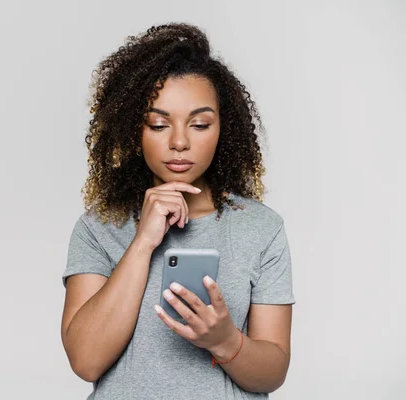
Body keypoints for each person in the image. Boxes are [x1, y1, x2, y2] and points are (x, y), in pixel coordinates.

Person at [60, 22, 295, 400]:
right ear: (133, 130)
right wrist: (142, 243)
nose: (180, 142)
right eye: (158, 124)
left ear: (225, 128)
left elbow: (273, 373)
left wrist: (225, 341)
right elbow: (86, 360)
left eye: (200, 124)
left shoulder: (262, 228)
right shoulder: (98, 227)